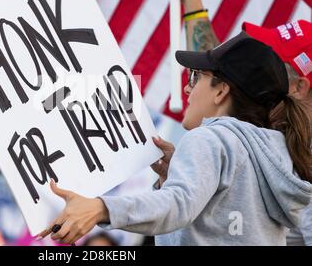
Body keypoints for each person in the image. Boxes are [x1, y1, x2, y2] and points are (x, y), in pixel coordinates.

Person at [37, 31, 312, 245]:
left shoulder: (210, 139)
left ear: (221, 92)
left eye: (196, 76)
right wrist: (179, 174)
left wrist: (100, 207)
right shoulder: (277, 152)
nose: (187, 86)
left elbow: (178, 205)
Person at [164, 0, 312, 246]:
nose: (254, 71)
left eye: (268, 65)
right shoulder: (266, 136)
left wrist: (106, 210)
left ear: (297, 88)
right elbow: (218, 75)